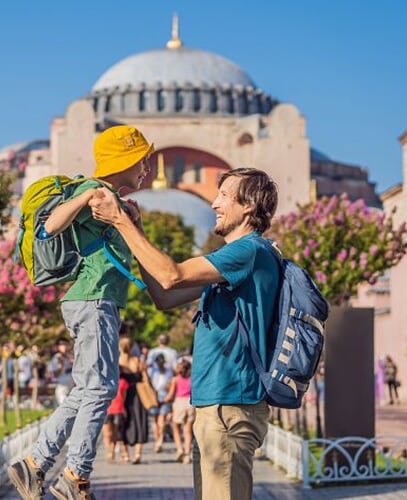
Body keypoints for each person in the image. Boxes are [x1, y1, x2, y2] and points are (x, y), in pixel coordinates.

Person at [89, 167, 281, 499]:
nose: (214, 204)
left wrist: (120, 221)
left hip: (229, 403)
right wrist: (136, 229)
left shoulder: (248, 251)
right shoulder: (233, 262)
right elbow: (165, 296)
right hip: (216, 405)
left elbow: (171, 276)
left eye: (223, 196)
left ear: (248, 206)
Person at [8, 125, 154, 500]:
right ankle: (76, 475)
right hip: (92, 300)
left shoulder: (114, 202)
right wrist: (88, 195)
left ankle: (36, 464)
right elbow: (48, 227)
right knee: (101, 387)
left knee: (90, 388)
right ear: (124, 161)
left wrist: (128, 220)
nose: (147, 170)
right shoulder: (91, 191)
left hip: (99, 300)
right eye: (142, 161)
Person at [119, 336, 149, 465]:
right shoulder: (138, 361)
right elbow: (146, 378)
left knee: (122, 423)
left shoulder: (117, 362)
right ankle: (137, 454)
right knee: (139, 421)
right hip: (138, 394)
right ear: (132, 347)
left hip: (121, 395)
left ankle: (125, 454)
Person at [166, 358, 195, 464]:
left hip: (179, 402)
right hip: (190, 403)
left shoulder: (176, 379)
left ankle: (179, 449)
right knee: (188, 431)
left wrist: (163, 401)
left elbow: (170, 395)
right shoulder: (192, 379)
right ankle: (187, 454)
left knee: (176, 427)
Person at [148, 353, 174, 453]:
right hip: (154, 396)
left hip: (164, 396)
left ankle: (160, 441)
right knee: (155, 420)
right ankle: (157, 439)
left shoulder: (168, 371)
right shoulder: (152, 371)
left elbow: (170, 384)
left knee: (161, 420)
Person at [49, 338, 74, 406]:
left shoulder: (71, 356)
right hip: (63, 385)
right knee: (63, 405)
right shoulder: (57, 358)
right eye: (62, 345)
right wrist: (61, 365)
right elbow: (55, 375)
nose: (64, 347)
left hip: (72, 385)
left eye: (66, 344)